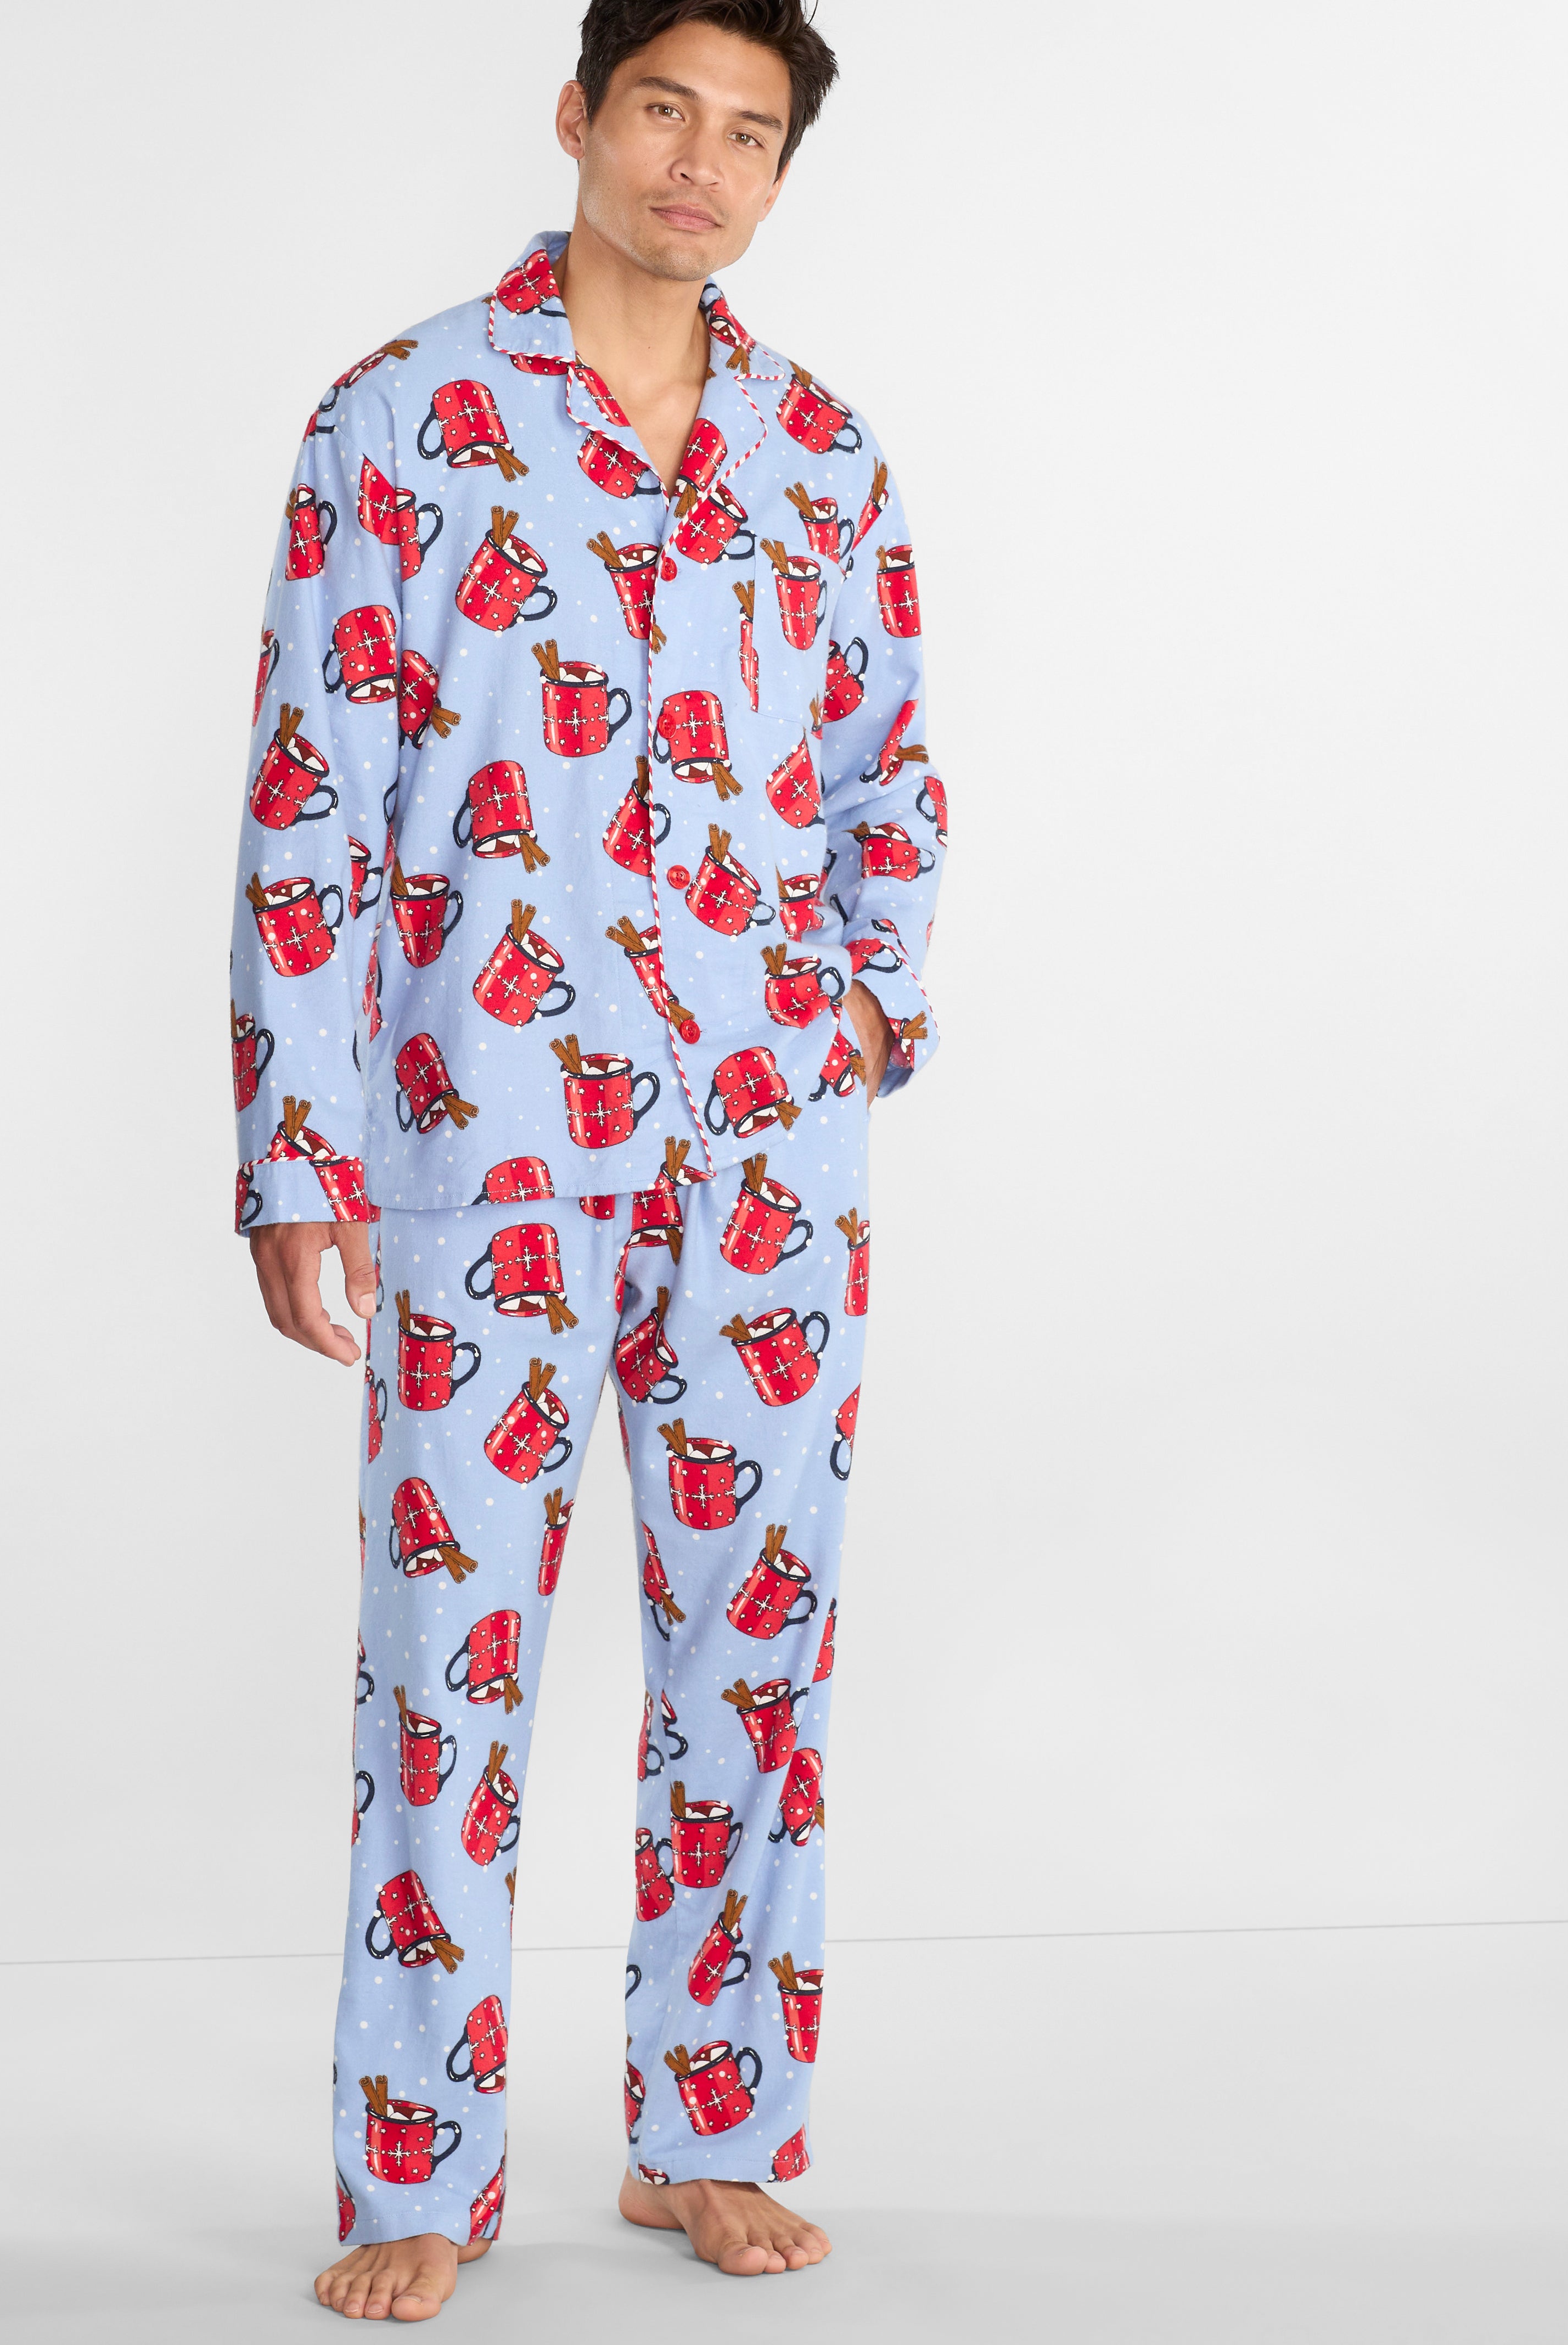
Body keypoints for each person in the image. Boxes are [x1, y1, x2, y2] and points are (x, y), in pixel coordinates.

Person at [229, 1, 948, 2320]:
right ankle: (416, 2172)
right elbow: (312, 798)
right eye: (663, 109)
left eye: (749, 133)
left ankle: (707, 2135)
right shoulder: (397, 421)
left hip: (766, 1165)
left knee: (755, 1658)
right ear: (577, 114)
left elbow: (887, 777)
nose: (699, 164)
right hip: (484, 1145)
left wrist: (856, 1010)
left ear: (780, 172)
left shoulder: (823, 460)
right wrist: (295, 1148)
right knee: (443, 1671)